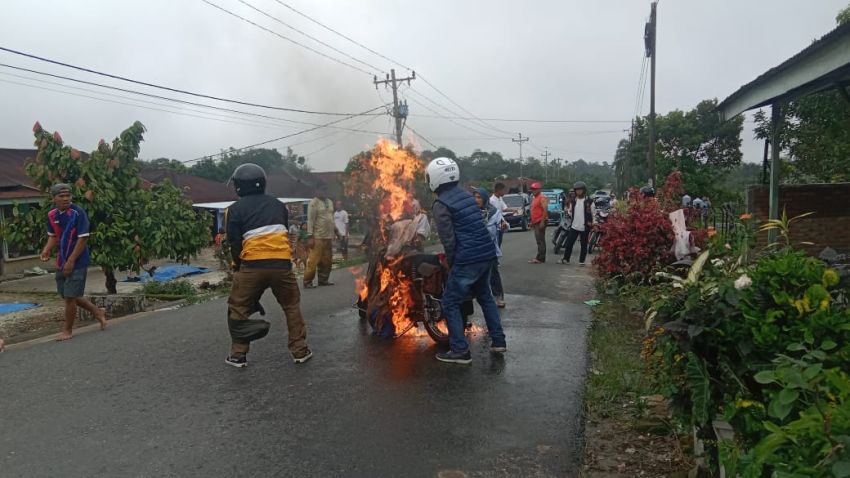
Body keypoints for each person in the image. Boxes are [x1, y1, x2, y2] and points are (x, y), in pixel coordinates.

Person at [224, 163, 311, 367]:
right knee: (291, 306)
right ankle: (300, 350)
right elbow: (282, 232)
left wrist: (238, 266)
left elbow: (234, 242)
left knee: (238, 308)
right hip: (281, 265)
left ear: (239, 186)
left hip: (252, 265)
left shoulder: (234, 209)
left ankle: (238, 355)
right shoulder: (278, 205)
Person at [426, 157, 506, 364]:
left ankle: (460, 350)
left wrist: (451, 263)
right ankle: (499, 341)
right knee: (485, 297)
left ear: (435, 178)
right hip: (486, 254)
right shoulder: (468, 196)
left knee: (450, 301)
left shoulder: (441, 204)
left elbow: (448, 239)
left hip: (467, 258)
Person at [40, 183, 107, 341]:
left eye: (68, 195)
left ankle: (67, 330)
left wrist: (71, 261)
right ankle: (97, 311)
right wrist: (46, 249)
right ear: (53, 198)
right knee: (67, 295)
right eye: (61, 196)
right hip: (61, 260)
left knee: (70, 297)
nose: (65, 199)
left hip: (78, 260)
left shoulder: (78, 212)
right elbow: (53, 236)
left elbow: (83, 238)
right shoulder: (52, 215)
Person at [474, 187, 506, 308]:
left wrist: (504, 225)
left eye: (479, 197)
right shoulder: (471, 213)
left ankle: (498, 296)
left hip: (489, 248)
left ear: (485, 198)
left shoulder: (494, 212)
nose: (476, 200)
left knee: (493, 273)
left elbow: (502, 224)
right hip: (475, 249)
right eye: (474, 197)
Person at [304, 183, 335, 288]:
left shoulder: (330, 202)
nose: (324, 192)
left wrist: (336, 232)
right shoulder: (313, 203)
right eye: (321, 190)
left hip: (328, 236)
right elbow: (310, 220)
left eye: (325, 190)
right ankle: (307, 281)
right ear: (316, 191)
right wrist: (310, 236)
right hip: (317, 237)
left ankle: (323, 280)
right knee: (313, 261)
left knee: (327, 260)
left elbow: (331, 218)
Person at [559, 181, 594, 266]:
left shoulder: (589, 201)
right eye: (577, 190)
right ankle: (566, 259)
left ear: (584, 190)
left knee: (584, 245)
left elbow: (594, 213)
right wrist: (569, 213)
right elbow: (570, 211)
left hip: (585, 226)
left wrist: (593, 223)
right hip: (574, 226)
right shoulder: (573, 201)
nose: (578, 192)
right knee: (569, 243)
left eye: (580, 190)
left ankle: (582, 261)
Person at [528, 182, 548, 264]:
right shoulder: (535, 198)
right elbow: (534, 211)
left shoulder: (542, 198)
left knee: (540, 240)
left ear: (539, 189)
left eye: (535, 189)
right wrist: (532, 222)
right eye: (532, 189)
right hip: (536, 222)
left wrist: (542, 222)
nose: (533, 191)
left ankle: (541, 258)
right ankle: (539, 257)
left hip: (540, 221)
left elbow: (545, 210)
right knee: (539, 240)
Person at [489, 182, 509, 247]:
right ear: (499, 190)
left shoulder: (500, 198)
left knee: (499, 241)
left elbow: (504, 208)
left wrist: (514, 210)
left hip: (501, 223)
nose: (504, 192)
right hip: (494, 224)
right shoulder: (491, 200)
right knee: (495, 242)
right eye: (503, 190)